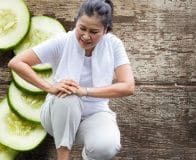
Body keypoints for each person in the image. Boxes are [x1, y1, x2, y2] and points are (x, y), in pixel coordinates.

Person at [8, 0, 135, 159]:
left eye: (94, 32)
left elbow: (128, 86)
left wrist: (85, 91)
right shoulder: (62, 41)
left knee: (107, 147)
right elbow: (17, 62)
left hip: (95, 114)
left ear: (106, 30)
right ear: (76, 22)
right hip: (57, 115)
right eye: (82, 28)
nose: (86, 36)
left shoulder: (114, 45)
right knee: (68, 94)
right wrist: (49, 87)